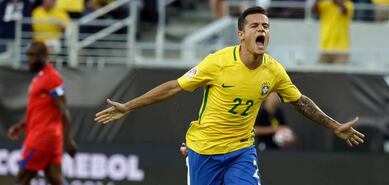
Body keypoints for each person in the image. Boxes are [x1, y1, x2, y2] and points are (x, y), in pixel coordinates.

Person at [95, 6, 365, 185]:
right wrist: (128, 106)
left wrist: (333, 125)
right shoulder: (218, 62)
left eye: (266, 26)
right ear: (241, 34)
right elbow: (175, 87)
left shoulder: (274, 71)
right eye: (255, 26)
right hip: (203, 151)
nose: (262, 30)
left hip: (241, 151)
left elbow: (300, 101)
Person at [7, 41, 77, 185]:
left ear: (44, 56)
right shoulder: (40, 77)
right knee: (56, 180)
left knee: (22, 180)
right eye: (28, 55)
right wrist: (21, 125)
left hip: (41, 139)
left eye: (32, 55)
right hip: (49, 140)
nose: (29, 59)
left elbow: (63, 108)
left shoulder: (52, 77)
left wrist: (69, 140)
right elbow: (39, 110)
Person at [312, 0, 354, 64]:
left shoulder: (348, 4)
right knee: (320, 73)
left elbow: (345, 10)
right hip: (325, 47)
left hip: (341, 50)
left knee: (340, 73)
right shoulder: (325, 4)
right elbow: (313, 11)